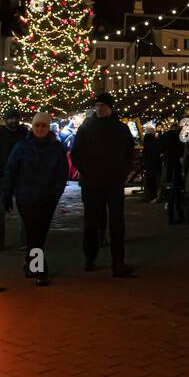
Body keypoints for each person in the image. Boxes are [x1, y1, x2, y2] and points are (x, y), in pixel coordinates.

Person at [70, 92, 137, 276]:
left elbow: (129, 153)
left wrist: (122, 172)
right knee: (91, 222)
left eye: (103, 105)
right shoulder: (86, 128)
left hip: (113, 182)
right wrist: (87, 171)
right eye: (97, 105)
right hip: (92, 183)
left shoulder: (121, 129)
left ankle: (118, 262)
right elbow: (76, 154)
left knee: (117, 223)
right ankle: (90, 257)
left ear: (110, 108)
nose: (99, 108)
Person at [6, 111, 69, 286]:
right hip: (26, 197)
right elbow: (11, 170)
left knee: (37, 234)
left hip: (47, 197)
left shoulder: (56, 148)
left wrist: (56, 192)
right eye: (37, 125)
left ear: (48, 127)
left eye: (43, 126)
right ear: (32, 127)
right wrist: (7, 193)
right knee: (35, 233)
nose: (40, 129)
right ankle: (40, 269)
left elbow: (62, 172)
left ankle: (30, 264)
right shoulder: (22, 146)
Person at [0, 110, 28, 250]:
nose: (13, 121)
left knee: (24, 207)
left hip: (21, 175)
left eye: (15, 118)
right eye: (10, 118)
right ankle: (0, 238)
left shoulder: (24, 133)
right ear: (6, 120)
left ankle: (24, 239)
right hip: (3, 176)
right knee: (1, 207)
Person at [162, 122, 186, 224]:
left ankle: (171, 217)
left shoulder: (165, 136)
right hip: (177, 167)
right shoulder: (180, 137)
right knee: (178, 193)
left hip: (169, 167)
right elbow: (182, 152)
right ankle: (180, 216)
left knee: (170, 192)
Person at [142, 125, 163, 201]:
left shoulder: (145, 141)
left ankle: (149, 195)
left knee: (149, 178)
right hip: (155, 162)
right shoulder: (155, 141)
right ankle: (154, 195)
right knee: (155, 179)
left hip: (148, 163)